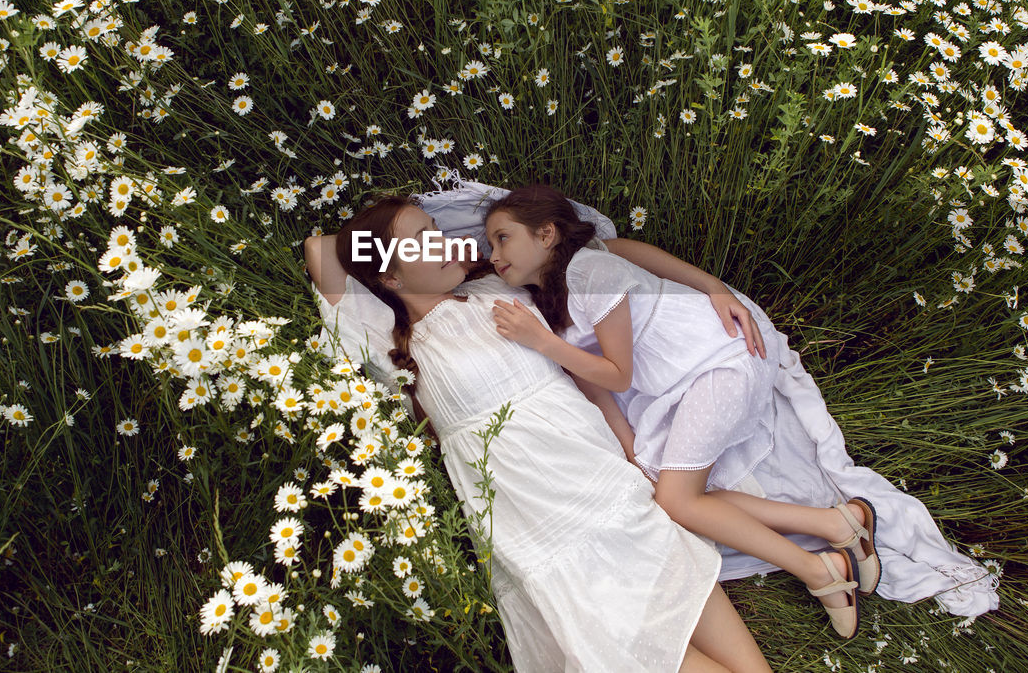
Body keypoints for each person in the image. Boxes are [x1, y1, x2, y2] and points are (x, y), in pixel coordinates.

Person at [462, 181, 996, 622]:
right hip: (688, 382)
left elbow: (618, 375)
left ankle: (822, 568)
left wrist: (714, 289)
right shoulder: (563, 290)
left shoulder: (587, 272)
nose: (495, 255)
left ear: (547, 233)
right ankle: (840, 525)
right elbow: (599, 374)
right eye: (490, 246)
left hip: (719, 363)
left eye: (502, 239)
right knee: (665, 488)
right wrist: (628, 448)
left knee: (679, 501)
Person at [305, 195, 773, 673]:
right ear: (388, 277)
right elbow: (319, 248)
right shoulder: (387, 340)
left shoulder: (498, 287)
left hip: (604, 485)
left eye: (437, 231)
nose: (441, 241)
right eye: (422, 240)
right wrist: (403, 250)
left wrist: (710, 285)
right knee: (624, 650)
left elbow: (609, 258)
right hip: (538, 528)